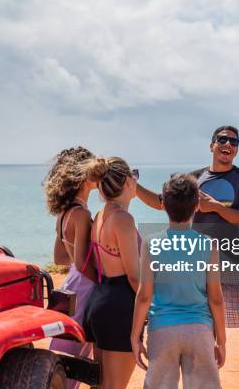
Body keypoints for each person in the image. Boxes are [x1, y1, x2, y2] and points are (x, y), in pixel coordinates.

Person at [137, 125, 239, 389]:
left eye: (234, 141)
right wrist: (132, 187)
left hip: (234, 263)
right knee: (202, 327)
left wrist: (214, 207)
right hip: (198, 265)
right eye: (223, 139)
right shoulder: (194, 178)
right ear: (212, 144)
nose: (228, 144)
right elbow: (163, 202)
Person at [131, 173, 226, 389]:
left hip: (162, 331)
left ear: (163, 204)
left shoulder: (151, 243)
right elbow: (216, 298)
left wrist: (135, 337)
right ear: (197, 205)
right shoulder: (208, 244)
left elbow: (144, 295)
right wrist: (221, 340)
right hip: (200, 330)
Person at [81, 157, 140, 389]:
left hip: (100, 300)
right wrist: (152, 306)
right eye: (135, 175)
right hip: (119, 304)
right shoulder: (123, 219)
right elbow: (134, 275)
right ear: (127, 181)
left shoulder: (100, 215)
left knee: (103, 385)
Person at [43, 146, 97, 389]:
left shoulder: (65, 212)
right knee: (74, 363)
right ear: (84, 177)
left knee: (67, 359)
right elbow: (85, 264)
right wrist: (107, 282)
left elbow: (59, 258)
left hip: (70, 288)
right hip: (85, 291)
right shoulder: (82, 214)